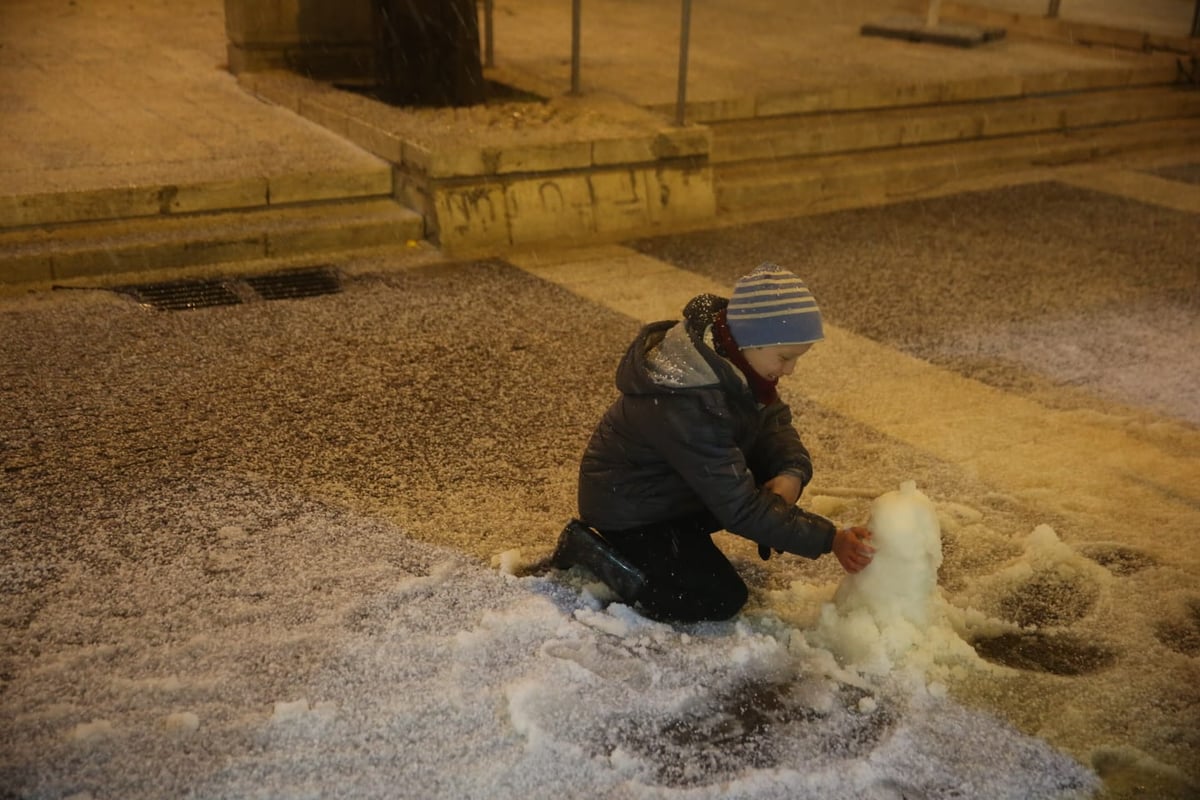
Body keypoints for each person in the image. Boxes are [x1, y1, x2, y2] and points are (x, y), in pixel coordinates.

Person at [552, 262, 875, 623]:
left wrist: (791, 472)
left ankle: (679, 543)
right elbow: (739, 508)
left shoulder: (733, 360)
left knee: (749, 485)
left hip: (672, 489)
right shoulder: (689, 401)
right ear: (751, 340)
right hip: (630, 509)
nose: (790, 370)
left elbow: (772, 422)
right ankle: (593, 552)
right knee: (714, 597)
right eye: (785, 358)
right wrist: (830, 540)